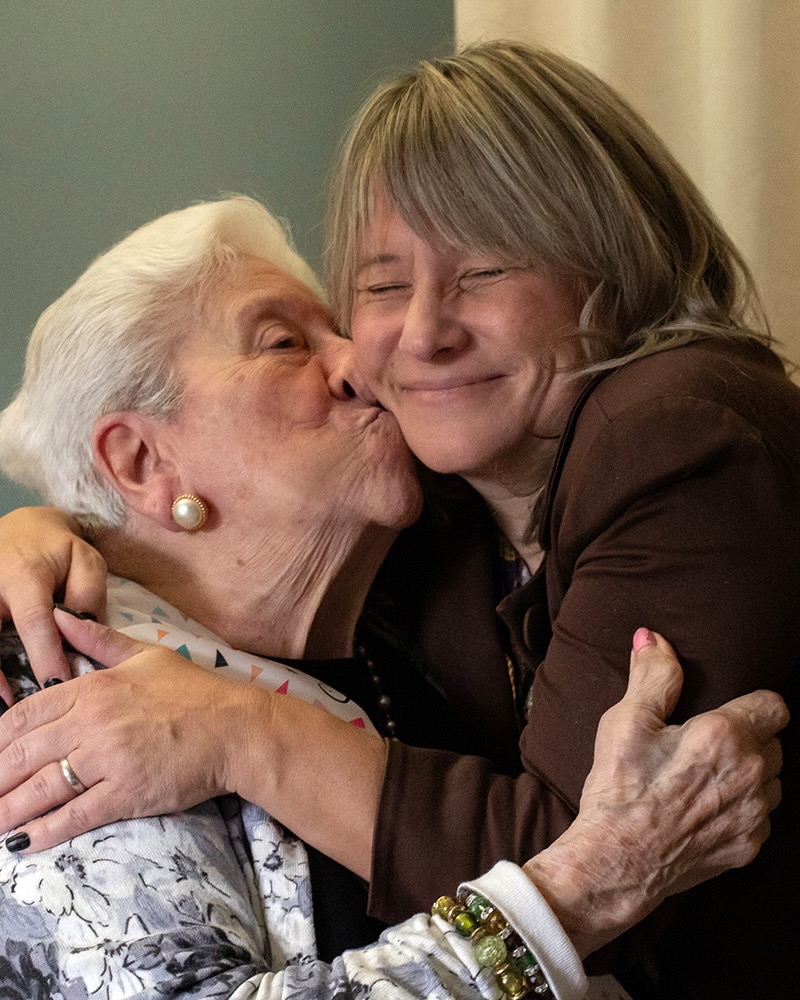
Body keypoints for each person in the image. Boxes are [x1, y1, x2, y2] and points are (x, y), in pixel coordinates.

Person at [1, 40, 799, 996]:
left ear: (606, 268)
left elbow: (578, 838)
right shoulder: (62, 691)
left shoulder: (640, 445)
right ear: (137, 459)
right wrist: (37, 530)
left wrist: (238, 727)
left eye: (485, 270)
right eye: (364, 297)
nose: (384, 352)